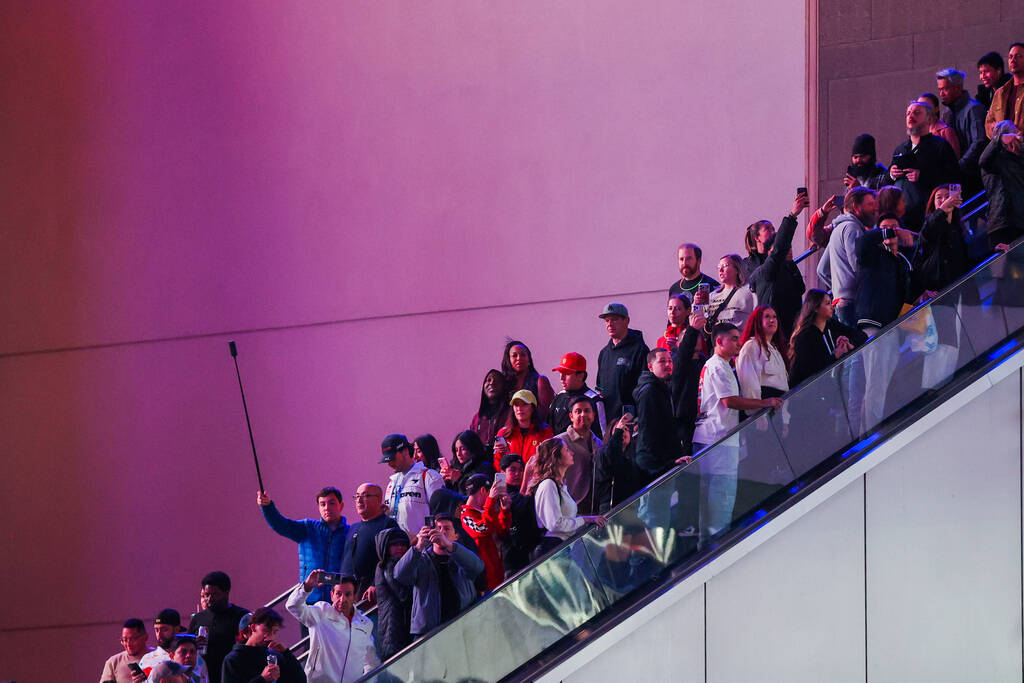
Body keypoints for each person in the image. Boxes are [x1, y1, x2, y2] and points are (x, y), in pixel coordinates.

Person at [692, 324, 784, 545]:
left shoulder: (718, 365)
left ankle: (708, 545)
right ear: (719, 341)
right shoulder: (719, 367)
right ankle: (716, 547)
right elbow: (729, 401)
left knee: (712, 501)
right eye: (733, 339)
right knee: (721, 499)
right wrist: (764, 403)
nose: (738, 343)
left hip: (712, 437)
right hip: (718, 439)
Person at [855, 214, 914, 431]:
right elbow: (862, 243)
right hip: (874, 323)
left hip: (892, 326)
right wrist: (888, 232)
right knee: (876, 382)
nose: (890, 232)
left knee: (882, 382)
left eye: (894, 228)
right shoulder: (873, 255)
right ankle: (870, 433)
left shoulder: (901, 261)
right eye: (884, 229)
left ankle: (871, 428)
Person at [394, 513, 485, 637]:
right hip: (429, 633)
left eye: (446, 529)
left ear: (456, 536)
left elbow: (477, 567)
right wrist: (418, 546)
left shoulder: (461, 556)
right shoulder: (420, 558)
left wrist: (449, 546)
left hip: (465, 626)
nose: (441, 532)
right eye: (437, 528)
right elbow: (400, 576)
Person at [256, 487, 350, 605]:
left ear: (341, 506)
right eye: (322, 504)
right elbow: (280, 525)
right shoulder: (308, 527)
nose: (327, 508)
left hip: (338, 603)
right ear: (319, 508)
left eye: (332, 503)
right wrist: (267, 506)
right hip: (308, 601)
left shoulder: (350, 533)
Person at [285, 572, 379, 683]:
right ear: (332, 595)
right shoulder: (321, 612)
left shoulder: (365, 624)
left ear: (355, 597)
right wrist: (307, 586)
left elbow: (371, 663)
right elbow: (292, 606)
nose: (342, 599)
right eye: (338, 594)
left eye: (348, 594)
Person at [887, 99, 960, 231]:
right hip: (904, 220)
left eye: (916, 113)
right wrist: (891, 174)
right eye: (908, 113)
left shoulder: (940, 146)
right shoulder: (900, 149)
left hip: (931, 217)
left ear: (929, 119)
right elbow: (888, 181)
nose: (910, 116)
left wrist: (923, 176)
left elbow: (954, 179)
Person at [528, 438, 607, 559]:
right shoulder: (548, 485)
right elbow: (555, 524)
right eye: (566, 450)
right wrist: (585, 520)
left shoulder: (559, 486)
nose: (572, 453)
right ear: (556, 457)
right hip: (553, 552)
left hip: (563, 549)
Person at [748, 192, 810, 338]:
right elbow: (779, 248)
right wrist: (792, 215)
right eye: (768, 229)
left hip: (791, 325)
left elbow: (800, 288)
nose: (773, 231)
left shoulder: (786, 265)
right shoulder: (762, 269)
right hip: (774, 328)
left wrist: (790, 264)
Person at [817, 187, 878, 327]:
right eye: (870, 204)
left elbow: (821, 270)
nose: (875, 208)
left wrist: (840, 289)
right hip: (854, 305)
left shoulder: (838, 229)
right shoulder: (853, 228)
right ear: (856, 207)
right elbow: (859, 266)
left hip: (842, 305)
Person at [788, 290, 865, 387]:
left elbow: (861, 336)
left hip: (830, 387)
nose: (832, 307)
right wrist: (835, 355)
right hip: (807, 391)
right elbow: (810, 370)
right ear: (816, 308)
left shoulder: (832, 325)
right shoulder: (804, 336)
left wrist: (849, 343)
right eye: (828, 303)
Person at [340, 483, 400, 600]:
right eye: (357, 496)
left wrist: (375, 584)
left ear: (378, 499)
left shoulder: (387, 524)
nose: (359, 500)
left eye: (365, 496)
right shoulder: (353, 527)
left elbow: (392, 560)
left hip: (370, 595)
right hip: (347, 594)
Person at [633, 348, 685, 482]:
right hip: (655, 465)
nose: (668, 365)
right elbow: (649, 430)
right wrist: (661, 465)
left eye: (670, 361)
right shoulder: (650, 391)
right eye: (662, 361)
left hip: (663, 461)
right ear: (650, 367)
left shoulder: (661, 388)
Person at [187, 571, 249, 683]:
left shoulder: (241, 616)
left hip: (233, 675)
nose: (209, 599)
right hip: (204, 676)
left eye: (215, 594)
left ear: (226, 593)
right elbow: (185, 645)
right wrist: (194, 644)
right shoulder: (198, 618)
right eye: (206, 595)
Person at [381, 433, 445, 536]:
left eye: (392, 458)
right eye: (387, 460)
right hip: (397, 548)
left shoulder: (430, 477)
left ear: (405, 451)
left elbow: (442, 516)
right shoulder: (391, 483)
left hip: (423, 547)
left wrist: (421, 539)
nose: (389, 464)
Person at [596, 302, 651, 420]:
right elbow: (599, 386)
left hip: (631, 421)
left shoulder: (640, 350)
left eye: (614, 319)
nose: (610, 324)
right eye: (606, 321)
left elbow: (645, 389)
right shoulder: (604, 353)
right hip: (609, 421)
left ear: (627, 320)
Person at [221, 608, 305, 683]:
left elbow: (300, 680)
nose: (271, 637)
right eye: (266, 630)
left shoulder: (274, 655)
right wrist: (262, 679)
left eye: (274, 632)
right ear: (253, 628)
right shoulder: (233, 659)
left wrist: (287, 653)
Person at [492, 453, 543, 577]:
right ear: (502, 472)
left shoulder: (527, 488)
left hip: (531, 550)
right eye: (512, 470)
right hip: (513, 558)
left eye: (521, 470)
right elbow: (518, 506)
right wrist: (527, 477)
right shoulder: (499, 493)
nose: (517, 474)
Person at [936, 69, 987, 190]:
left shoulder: (974, 109)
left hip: (972, 175)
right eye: (940, 90)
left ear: (958, 87)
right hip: (957, 174)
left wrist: (959, 167)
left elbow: (979, 142)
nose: (941, 93)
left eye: (945, 89)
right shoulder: (947, 112)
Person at [980, 120, 1024, 249]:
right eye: (1014, 133)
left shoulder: (1019, 158)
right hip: (1003, 223)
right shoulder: (995, 160)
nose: (1019, 135)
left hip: (1020, 221)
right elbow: (983, 160)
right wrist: (999, 140)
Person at [457, 473, 505, 589]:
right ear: (483, 490)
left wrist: (505, 511)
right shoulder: (465, 516)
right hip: (485, 581)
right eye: (490, 492)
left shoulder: (485, 512)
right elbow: (483, 528)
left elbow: (502, 532)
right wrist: (491, 502)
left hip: (498, 576)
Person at [736, 307, 791, 409]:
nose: (772, 320)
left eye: (774, 317)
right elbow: (749, 386)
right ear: (757, 321)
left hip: (780, 409)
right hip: (764, 412)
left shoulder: (775, 349)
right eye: (767, 316)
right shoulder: (751, 346)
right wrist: (758, 417)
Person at [557, 395, 603, 515]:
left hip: (593, 509)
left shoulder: (599, 444)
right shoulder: (558, 442)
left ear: (594, 415)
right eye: (578, 411)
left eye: (587, 411)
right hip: (566, 509)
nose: (583, 414)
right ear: (571, 416)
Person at [373, 527, 413, 661]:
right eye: (395, 545)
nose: (400, 548)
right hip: (394, 628)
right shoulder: (389, 565)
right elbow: (403, 594)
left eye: (403, 544)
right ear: (385, 547)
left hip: (393, 627)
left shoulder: (384, 565)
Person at [547, 352, 607, 439]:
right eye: (560, 372)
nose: (561, 378)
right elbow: (549, 430)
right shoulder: (559, 397)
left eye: (566, 373)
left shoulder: (594, 400)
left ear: (580, 376)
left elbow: (602, 437)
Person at [492, 390, 553, 470]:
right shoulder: (503, 433)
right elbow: (498, 462)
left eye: (524, 404)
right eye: (516, 405)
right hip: (510, 481)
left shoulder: (545, 432)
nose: (519, 408)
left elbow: (548, 461)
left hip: (535, 480)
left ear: (533, 408)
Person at [140, 610, 207, 680]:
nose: (159, 634)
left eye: (164, 630)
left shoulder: (194, 658)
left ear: (176, 630)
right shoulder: (147, 659)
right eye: (157, 630)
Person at [500, 340, 555, 421]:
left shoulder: (540, 381)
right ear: (508, 360)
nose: (519, 358)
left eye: (523, 355)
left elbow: (547, 413)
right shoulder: (505, 383)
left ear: (529, 359)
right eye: (514, 355)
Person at [707, 254, 756, 332]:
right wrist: (697, 304)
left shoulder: (749, 291)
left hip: (740, 341)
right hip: (717, 341)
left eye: (725, 265)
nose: (720, 270)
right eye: (719, 267)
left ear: (737, 269)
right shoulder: (712, 296)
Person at [985, 43, 1024, 138]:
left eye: (1018, 56)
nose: (1013, 60)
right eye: (1010, 57)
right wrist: (1002, 136)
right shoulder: (1000, 93)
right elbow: (988, 125)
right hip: (1002, 144)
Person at [469, 369, 509, 450]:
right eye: (488, 380)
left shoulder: (509, 414)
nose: (491, 383)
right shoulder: (476, 418)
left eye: (497, 381)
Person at [100, 618, 151, 683]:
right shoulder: (113, 662)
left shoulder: (158, 657)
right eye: (124, 640)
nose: (128, 644)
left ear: (145, 637)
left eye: (132, 639)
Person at [918, 92, 962, 158]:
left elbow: (954, 159)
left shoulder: (946, 132)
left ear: (936, 109)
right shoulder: (919, 132)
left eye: (926, 106)